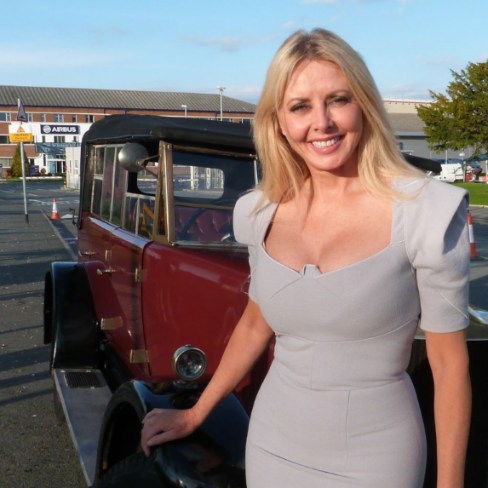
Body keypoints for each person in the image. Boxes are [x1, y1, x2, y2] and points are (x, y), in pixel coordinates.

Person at [141, 28, 471, 487]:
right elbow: (255, 325)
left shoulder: (428, 213)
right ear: (278, 120)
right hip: (274, 442)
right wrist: (198, 413)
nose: (322, 122)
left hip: (378, 455)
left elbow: (449, 366)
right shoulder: (259, 212)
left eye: (337, 99)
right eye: (300, 106)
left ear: (364, 105)